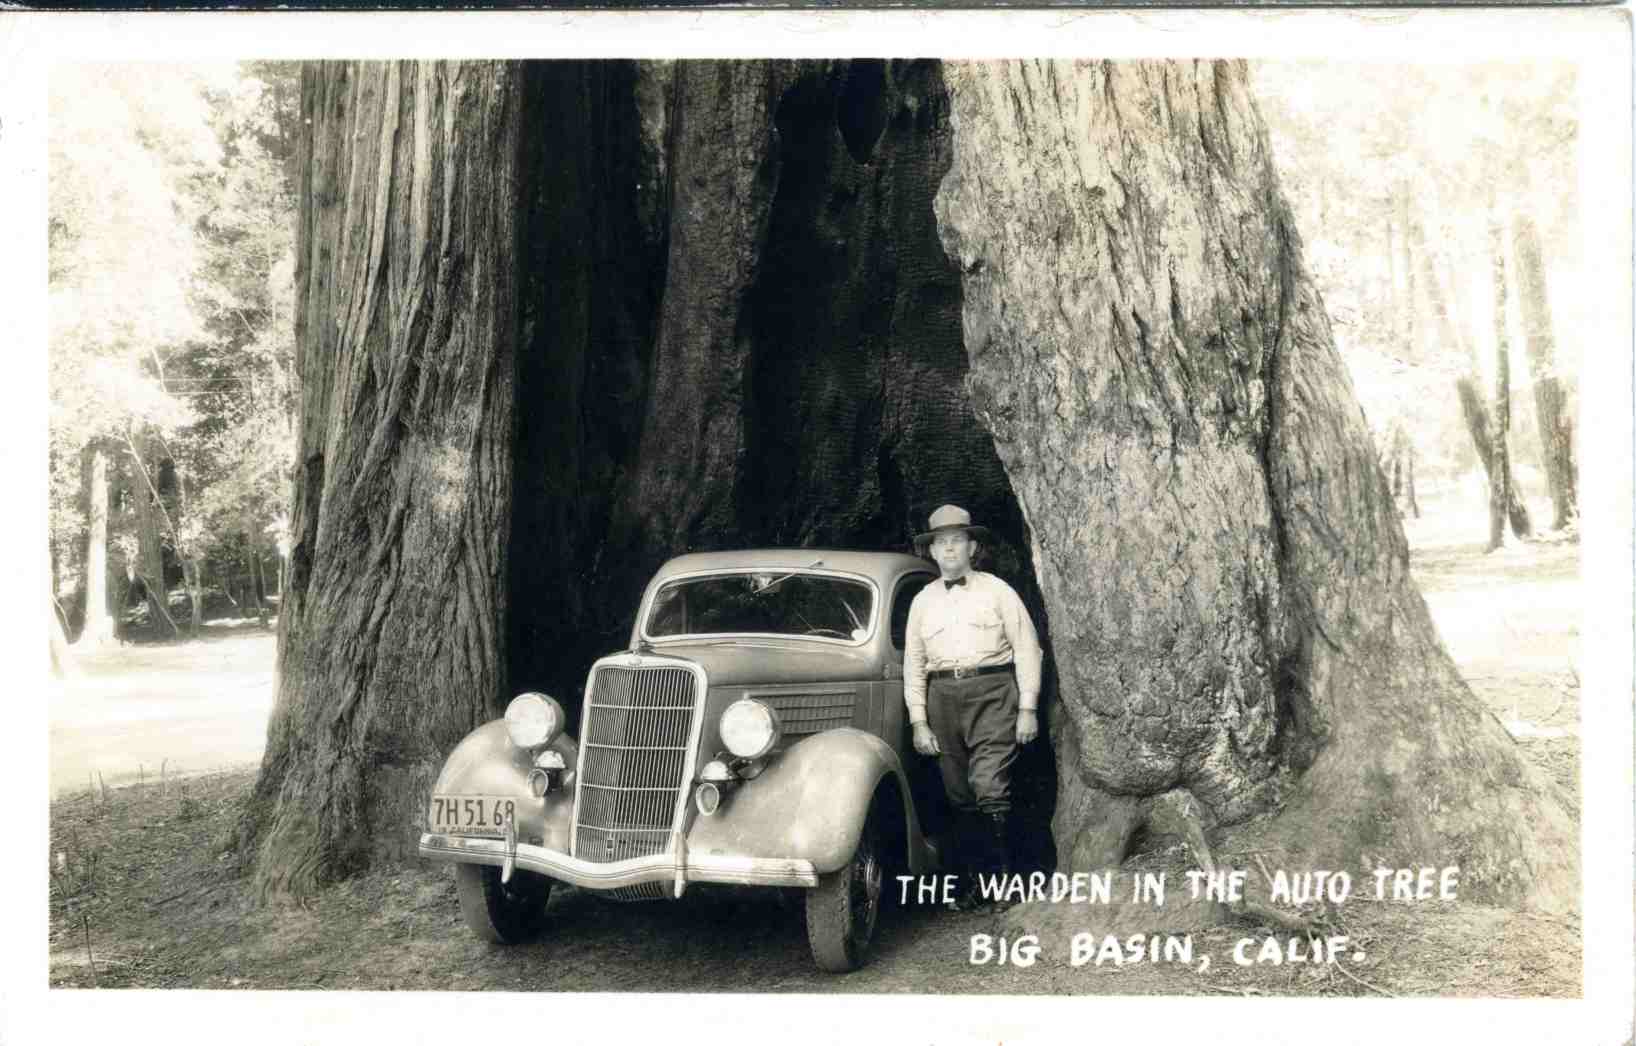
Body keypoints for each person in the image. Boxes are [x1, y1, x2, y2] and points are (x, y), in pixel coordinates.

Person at [903, 504, 1043, 913]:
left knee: (989, 785)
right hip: (942, 697)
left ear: (973, 546)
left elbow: (1027, 649)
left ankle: (1005, 887)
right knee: (959, 794)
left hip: (994, 692)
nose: (949, 550)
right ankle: (976, 884)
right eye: (941, 543)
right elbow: (914, 664)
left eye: (957, 541)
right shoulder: (923, 602)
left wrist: (1028, 708)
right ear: (931, 552)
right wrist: (918, 721)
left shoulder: (998, 591)